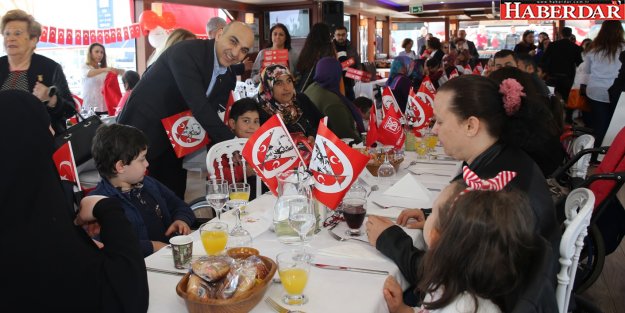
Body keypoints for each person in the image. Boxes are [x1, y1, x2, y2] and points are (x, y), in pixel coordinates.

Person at [367, 74, 559, 291]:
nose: (434, 130)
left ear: (471, 125)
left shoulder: (491, 190)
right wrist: (436, 215)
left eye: (439, 121)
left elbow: (440, 275)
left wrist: (389, 239)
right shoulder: (508, 158)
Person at [0, 89, 148, 312]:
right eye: (46, 124)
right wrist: (106, 209)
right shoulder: (46, 247)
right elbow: (129, 296)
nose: (52, 132)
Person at [118, 22, 254, 199]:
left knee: (172, 194)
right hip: (140, 129)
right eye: (233, 41)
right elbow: (199, 105)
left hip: (173, 138)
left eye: (243, 50)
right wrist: (232, 144)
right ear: (219, 34)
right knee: (131, 196)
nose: (236, 53)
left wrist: (228, 149)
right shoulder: (186, 52)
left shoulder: (226, 74)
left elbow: (211, 115)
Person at [381, 176, 556, 313]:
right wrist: (404, 310)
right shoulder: (453, 282)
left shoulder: (460, 307)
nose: (428, 216)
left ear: (435, 237)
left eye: (432, 212)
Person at [90, 124, 195, 257]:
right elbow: (112, 246)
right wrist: (152, 246)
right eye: (142, 159)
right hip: (142, 269)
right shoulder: (100, 203)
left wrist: (181, 220)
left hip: (169, 256)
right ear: (120, 166)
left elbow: (180, 206)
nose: (147, 163)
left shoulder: (148, 183)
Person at [0, 9, 76, 135]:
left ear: (33, 40)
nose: (10, 38)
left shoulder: (50, 68)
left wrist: (51, 100)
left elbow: (70, 110)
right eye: (7, 34)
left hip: (40, 146)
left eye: (17, 33)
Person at [580, 20, 625, 152]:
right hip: (619, 90)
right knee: (617, 125)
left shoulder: (593, 49)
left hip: (595, 89)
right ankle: (615, 155)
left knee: (600, 124)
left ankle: (597, 154)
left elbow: (586, 71)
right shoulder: (623, 47)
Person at [256, 64, 322, 142]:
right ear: (268, 88)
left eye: (289, 81)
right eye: (279, 83)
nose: (287, 88)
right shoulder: (261, 113)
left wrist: (314, 136)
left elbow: (323, 124)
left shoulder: (300, 99)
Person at [304, 57, 363, 142]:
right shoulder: (333, 103)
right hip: (334, 147)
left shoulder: (313, 87)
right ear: (337, 74)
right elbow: (346, 134)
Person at [214, 98, 263, 199]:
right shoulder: (222, 149)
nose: (252, 127)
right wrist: (245, 171)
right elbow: (217, 178)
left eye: (256, 122)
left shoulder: (262, 146)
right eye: (246, 121)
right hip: (233, 204)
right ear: (232, 123)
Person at [541, 27, 582, 105]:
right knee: (566, 99)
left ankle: (555, 115)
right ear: (570, 35)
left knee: (552, 100)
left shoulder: (552, 45)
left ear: (561, 34)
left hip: (553, 77)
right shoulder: (576, 47)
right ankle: (566, 116)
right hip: (568, 78)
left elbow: (544, 59)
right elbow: (579, 63)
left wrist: (546, 72)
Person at [81, 43, 125, 115]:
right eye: (97, 52)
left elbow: (123, 72)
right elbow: (89, 73)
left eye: (102, 52)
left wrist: (118, 70)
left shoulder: (104, 69)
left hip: (105, 106)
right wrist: (107, 69)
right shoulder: (84, 66)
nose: (100, 55)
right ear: (90, 53)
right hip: (89, 106)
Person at [295, 22, 336, 93]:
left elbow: (299, 71)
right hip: (321, 91)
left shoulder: (307, 49)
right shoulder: (328, 49)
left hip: (304, 90)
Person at [333, 25, 361, 101]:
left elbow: (357, 62)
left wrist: (358, 74)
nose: (341, 37)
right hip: (335, 81)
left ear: (347, 35)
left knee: (351, 104)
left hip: (349, 81)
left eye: (343, 35)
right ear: (334, 35)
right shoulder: (330, 47)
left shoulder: (351, 46)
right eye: (338, 35)